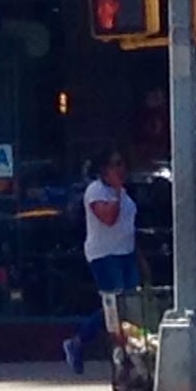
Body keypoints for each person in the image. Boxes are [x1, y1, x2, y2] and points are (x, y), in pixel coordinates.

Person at [62, 148, 139, 374]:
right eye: (115, 164)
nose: (120, 169)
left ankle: (126, 352)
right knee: (114, 305)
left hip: (126, 252)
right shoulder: (96, 191)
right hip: (105, 256)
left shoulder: (123, 193)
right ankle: (79, 341)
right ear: (104, 169)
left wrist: (140, 257)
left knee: (129, 305)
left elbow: (128, 226)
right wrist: (115, 191)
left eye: (122, 164)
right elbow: (108, 218)